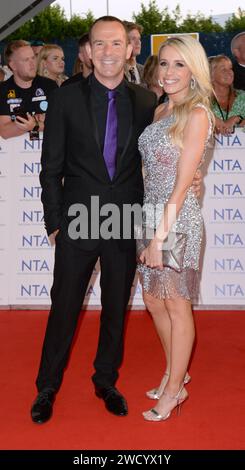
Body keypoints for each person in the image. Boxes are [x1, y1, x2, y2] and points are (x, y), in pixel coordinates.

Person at [30, 16, 157, 424]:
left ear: (129, 49)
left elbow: (150, 167)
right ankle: (47, 386)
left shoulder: (144, 101)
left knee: (116, 307)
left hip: (123, 216)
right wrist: (54, 222)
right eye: (99, 44)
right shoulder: (65, 99)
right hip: (77, 218)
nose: (107, 52)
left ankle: (106, 380)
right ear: (87, 51)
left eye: (116, 44)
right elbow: (50, 168)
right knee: (64, 306)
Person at [137, 35, 213, 422]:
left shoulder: (196, 113)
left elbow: (183, 183)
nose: (169, 72)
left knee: (176, 305)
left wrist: (160, 236)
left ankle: (172, 391)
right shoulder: (160, 110)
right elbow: (150, 171)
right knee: (154, 301)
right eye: (164, 63)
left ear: (193, 69)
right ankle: (174, 373)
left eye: (179, 64)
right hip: (149, 216)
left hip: (175, 221)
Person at [0, 40, 58, 139]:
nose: (32, 64)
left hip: (46, 152)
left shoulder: (50, 86)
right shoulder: (3, 90)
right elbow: (4, 131)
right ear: (13, 65)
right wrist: (35, 124)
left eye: (33, 58)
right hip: (14, 153)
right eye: (26, 60)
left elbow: (59, 124)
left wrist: (32, 125)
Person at [209, 54, 245, 134]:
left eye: (230, 68)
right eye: (223, 69)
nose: (229, 72)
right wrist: (211, 120)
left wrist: (238, 120)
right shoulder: (201, 100)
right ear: (211, 75)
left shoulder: (242, 97)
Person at [123, 21, 145, 85]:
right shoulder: (114, 72)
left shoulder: (145, 72)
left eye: (139, 38)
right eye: (133, 39)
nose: (138, 42)